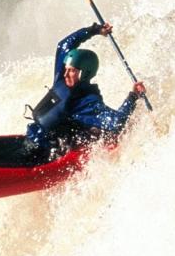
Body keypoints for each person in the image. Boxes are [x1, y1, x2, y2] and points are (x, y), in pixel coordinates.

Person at [25, 22, 146, 156]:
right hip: (32, 137)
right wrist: (94, 30)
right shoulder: (62, 78)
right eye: (66, 69)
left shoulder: (88, 102)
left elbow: (116, 122)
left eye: (71, 71)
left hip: (48, 153)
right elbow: (64, 45)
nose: (65, 74)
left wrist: (133, 96)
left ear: (84, 73)